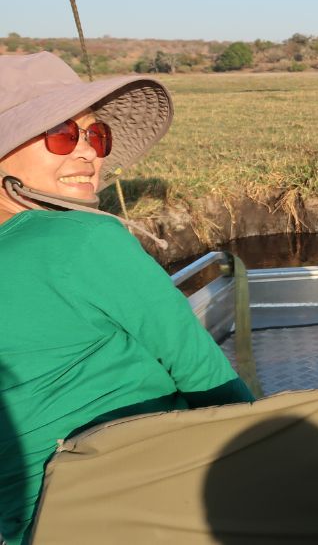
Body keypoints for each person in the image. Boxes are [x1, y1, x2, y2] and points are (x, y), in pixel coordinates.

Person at [0, 52, 254, 544]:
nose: (89, 153)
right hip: (133, 501)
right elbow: (208, 378)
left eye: (96, 136)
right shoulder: (84, 238)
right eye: (61, 135)